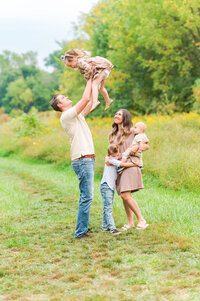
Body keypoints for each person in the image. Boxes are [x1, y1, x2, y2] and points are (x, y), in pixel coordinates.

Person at [50, 78, 95, 239]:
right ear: (60, 105)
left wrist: (96, 83)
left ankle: (83, 227)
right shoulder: (67, 115)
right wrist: (89, 79)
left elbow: (91, 102)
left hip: (86, 158)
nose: (67, 98)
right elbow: (85, 99)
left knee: (87, 195)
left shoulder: (76, 115)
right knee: (87, 196)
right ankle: (80, 232)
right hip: (82, 159)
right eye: (64, 98)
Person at [107, 109, 149, 230]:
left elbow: (146, 145)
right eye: (116, 113)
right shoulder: (112, 135)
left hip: (131, 164)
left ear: (125, 118)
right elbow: (112, 151)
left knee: (125, 194)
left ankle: (141, 220)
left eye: (119, 114)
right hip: (119, 166)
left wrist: (135, 148)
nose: (116, 115)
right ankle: (130, 223)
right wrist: (108, 158)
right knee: (123, 195)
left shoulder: (133, 132)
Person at [101, 144, 139, 235]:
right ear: (109, 155)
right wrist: (135, 164)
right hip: (106, 186)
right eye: (114, 156)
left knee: (107, 206)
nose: (116, 157)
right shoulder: (111, 160)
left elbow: (121, 158)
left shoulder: (111, 158)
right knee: (108, 208)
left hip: (108, 186)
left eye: (117, 155)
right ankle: (112, 229)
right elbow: (122, 164)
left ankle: (105, 226)